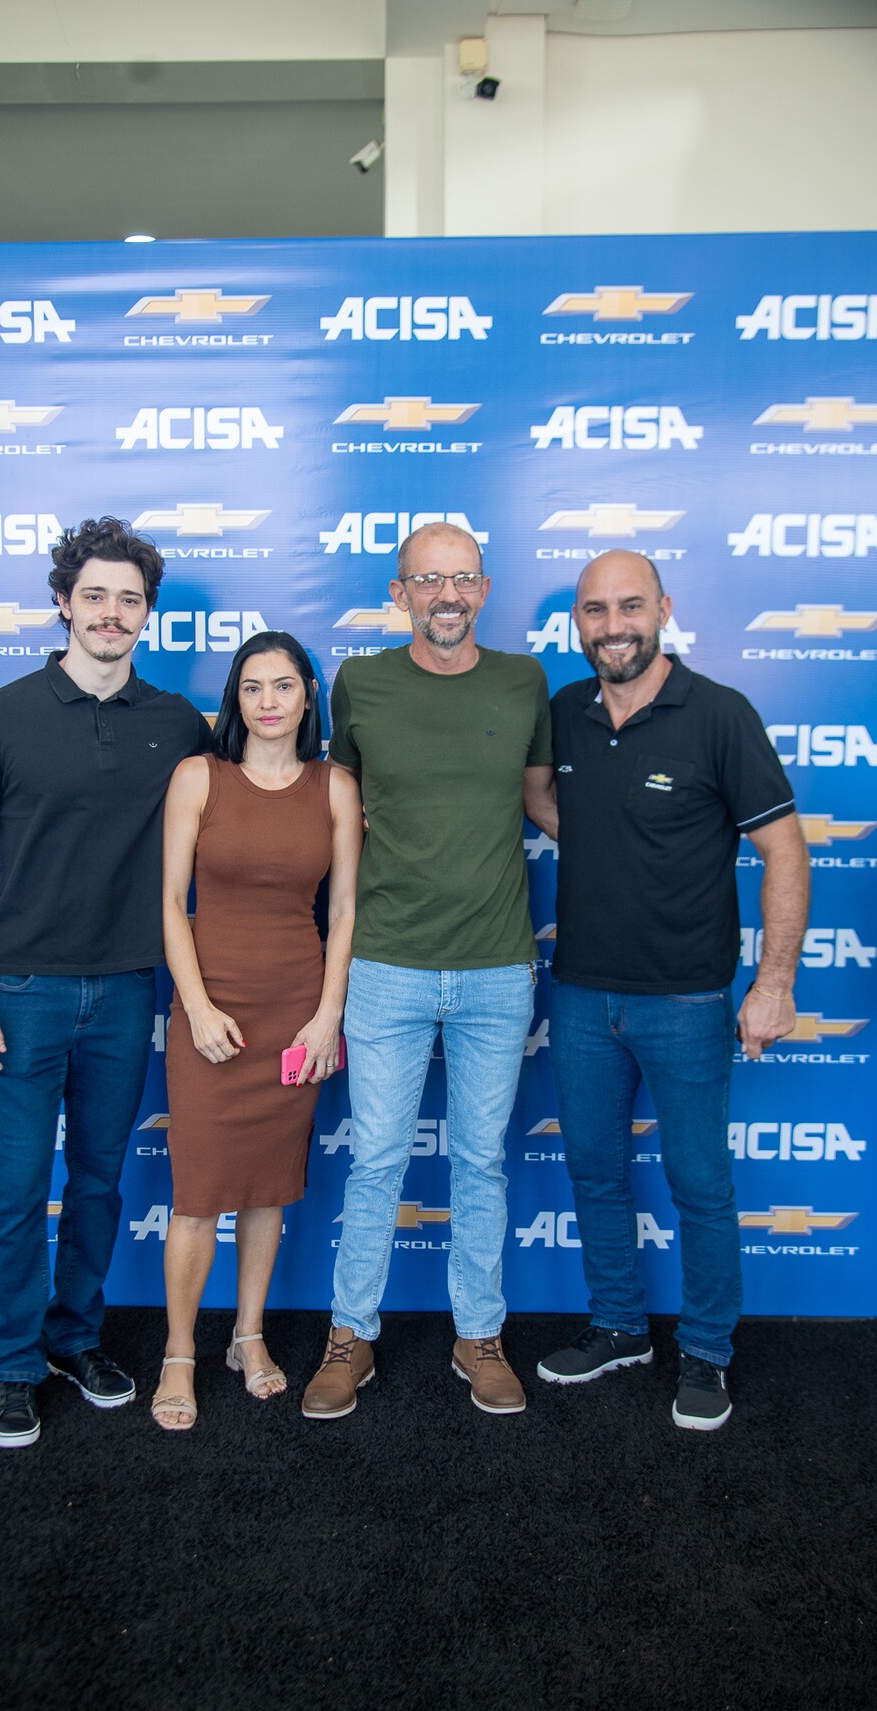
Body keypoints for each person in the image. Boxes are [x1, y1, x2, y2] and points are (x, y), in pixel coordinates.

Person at [0, 517, 213, 1448]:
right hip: (20, 993)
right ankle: (13, 1366)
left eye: (129, 599)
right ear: (63, 602)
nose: (110, 613)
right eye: (94, 595)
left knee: (98, 1184)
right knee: (16, 1190)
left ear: (147, 614)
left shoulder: (177, 724)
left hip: (128, 991)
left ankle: (74, 1338)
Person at [537, 549, 810, 1431]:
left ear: (663, 608)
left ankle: (707, 1350)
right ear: (577, 623)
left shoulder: (719, 714)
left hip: (688, 1000)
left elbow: (785, 852)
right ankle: (619, 1326)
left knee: (699, 1183)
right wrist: (605, 838)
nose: (613, 626)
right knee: (594, 1171)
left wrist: (774, 982)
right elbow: (542, 798)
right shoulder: (565, 712)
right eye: (595, 610)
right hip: (582, 994)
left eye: (630, 606)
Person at [301, 522, 557, 1420]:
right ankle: (350, 1337)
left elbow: (540, 798)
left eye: (463, 580)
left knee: (481, 1164)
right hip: (386, 965)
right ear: (400, 591)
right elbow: (339, 807)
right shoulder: (361, 682)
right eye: (428, 580)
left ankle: (478, 1336)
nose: (447, 596)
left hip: (497, 967)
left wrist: (639, 859)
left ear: (483, 589)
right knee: (375, 1162)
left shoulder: (524, 681)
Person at [149, 633, 362, 1430]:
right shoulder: (198, 777)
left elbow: (344, 911)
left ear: (308, 696)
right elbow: (171, 903)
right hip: (212, 1012)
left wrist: (327, 1015)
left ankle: (248, 1336)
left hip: (294, 1014)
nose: (268, 702)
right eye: (252, 687)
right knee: (198, 1196)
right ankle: (178, 1353)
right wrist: (197, 1006)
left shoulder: (335, 787)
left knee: (269, 1189)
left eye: (283, 686)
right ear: (234, 700)